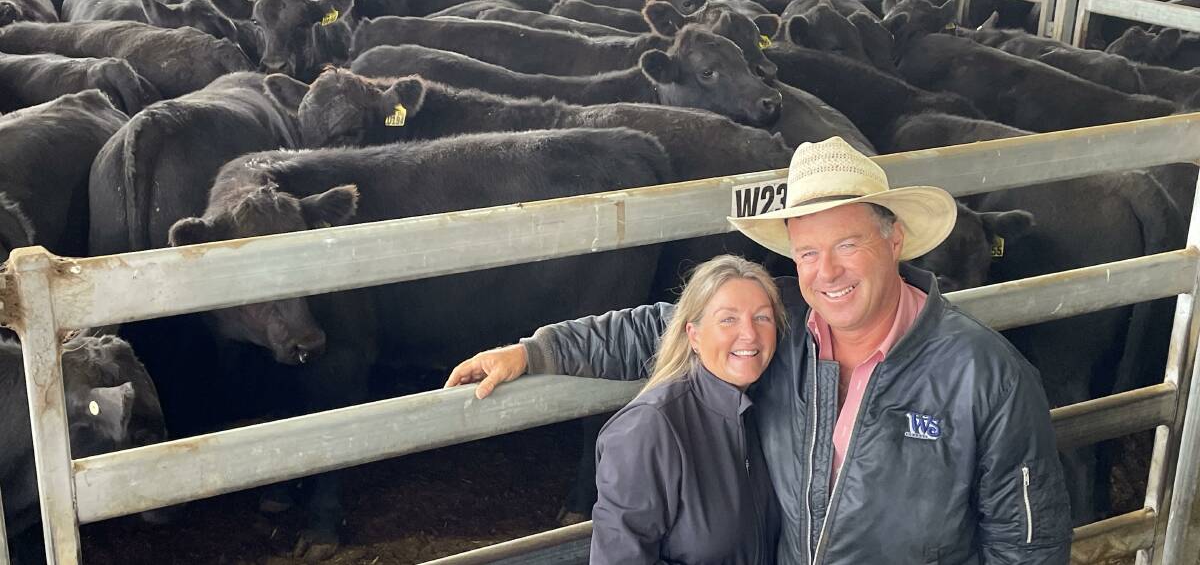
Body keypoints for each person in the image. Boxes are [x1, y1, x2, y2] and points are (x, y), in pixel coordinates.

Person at [446, 136, 1072, 564]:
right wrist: (535, 351)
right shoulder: (779, 331)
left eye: (847, 244)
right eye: (806, 252)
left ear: (895, 240)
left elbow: (1028, 544)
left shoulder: (985, 375)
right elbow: (667, 325)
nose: (827, 272)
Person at [590, 254, 785, 564]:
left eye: (762, 317)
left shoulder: (763, 412)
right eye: (728, 319)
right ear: (694, 335)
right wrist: (532, 351)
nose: (749, 333)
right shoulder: (648, 429)